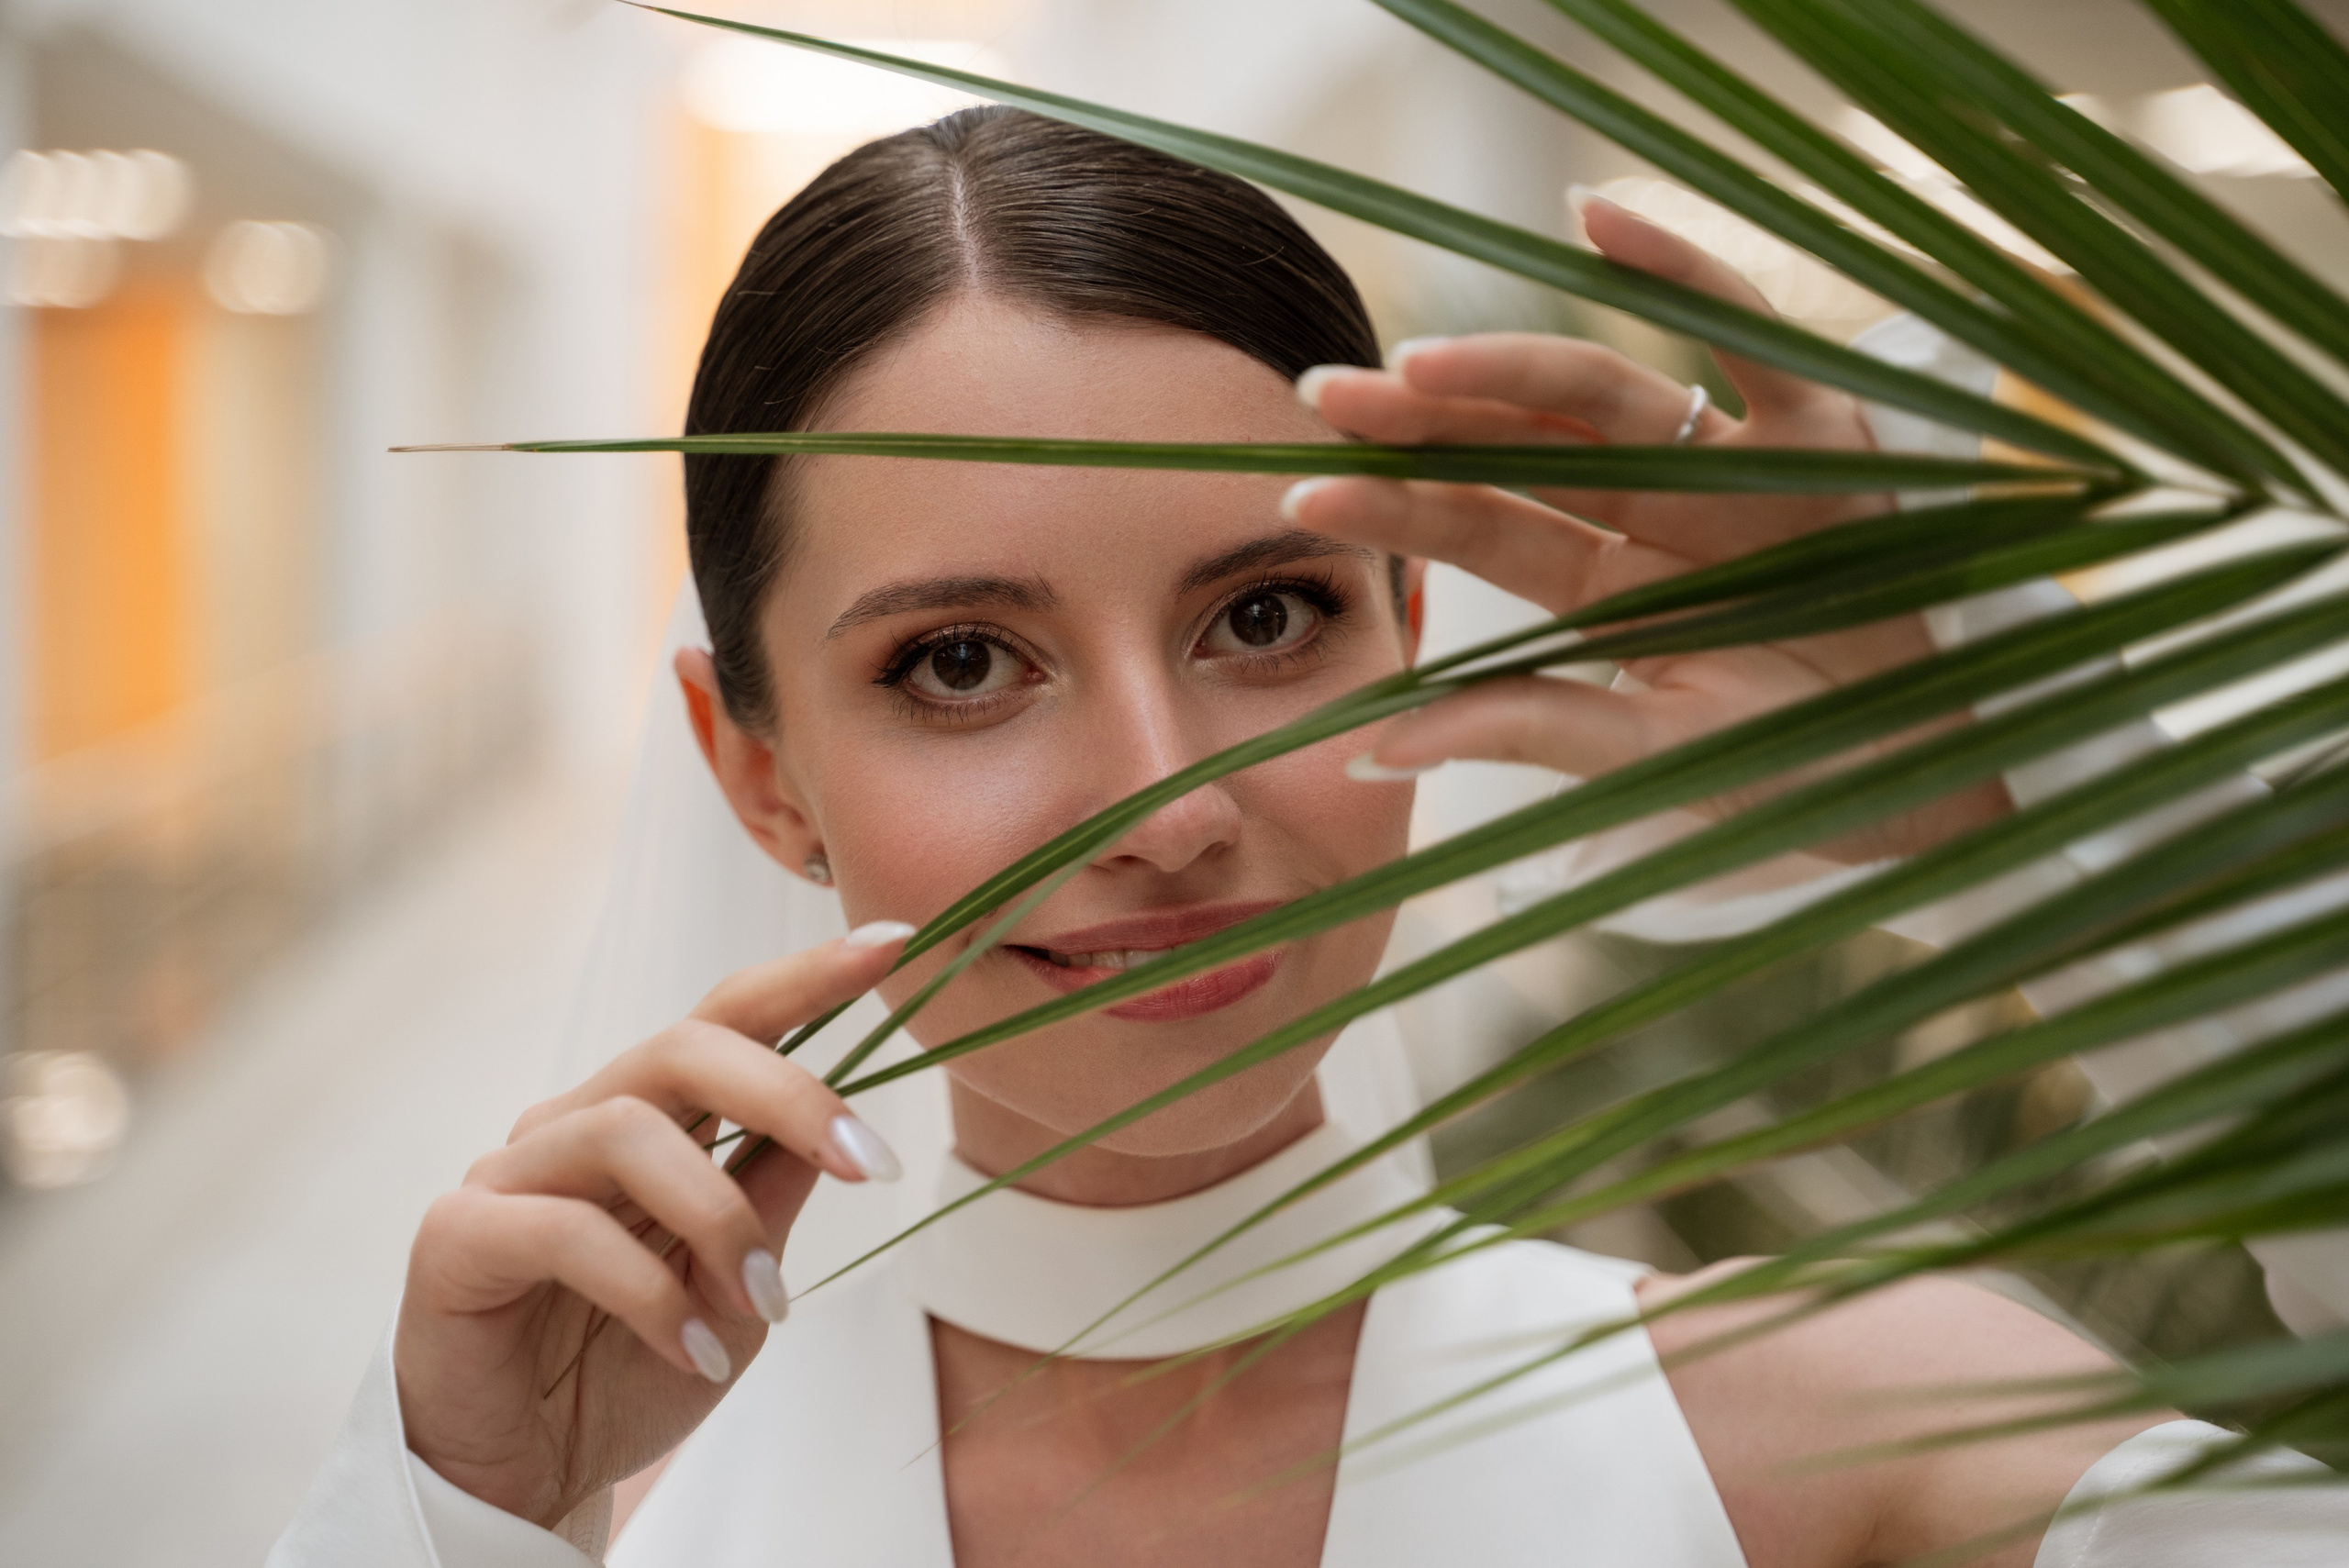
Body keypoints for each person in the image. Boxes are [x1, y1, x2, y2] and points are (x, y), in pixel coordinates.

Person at [271, 107, 2339, 1568]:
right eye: (962, 663)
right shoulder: (565, 1517)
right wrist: (452, 1524)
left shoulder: (1842, 1438)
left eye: (1264, 618)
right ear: (760, 773)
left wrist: (2033, 822)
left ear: (1408, 634)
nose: (1170, 804)